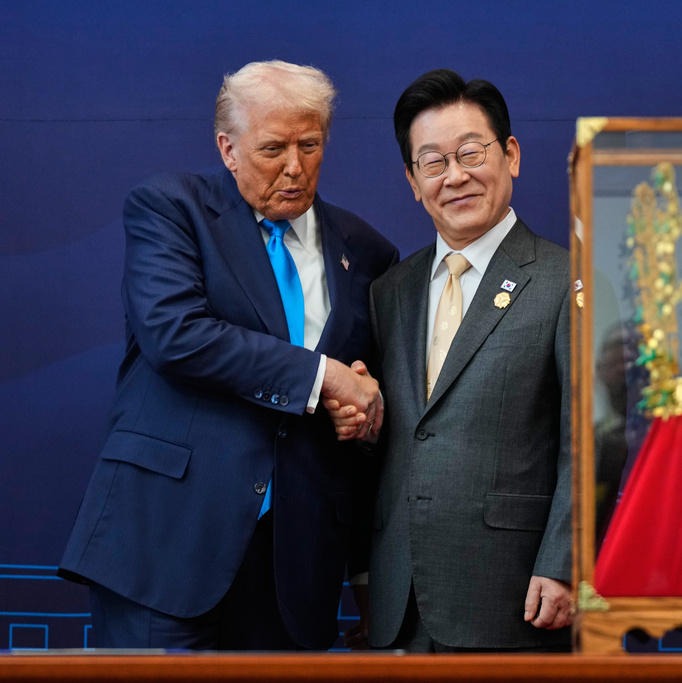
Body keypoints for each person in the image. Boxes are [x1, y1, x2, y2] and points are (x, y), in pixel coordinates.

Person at [58, 60, 398, 650]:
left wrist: (362, 413)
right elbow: (176, 335)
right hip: (163, 547)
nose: (295, 167)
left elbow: (366, 401)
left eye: (310, 145)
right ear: (228, 148)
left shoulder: (368, 251)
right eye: (273, 149)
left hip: (296, 569)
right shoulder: (171, 209)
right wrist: (325, 378)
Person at [351, 68, 573, 652]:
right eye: (433, 162)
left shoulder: (566, 282)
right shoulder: (388, 291)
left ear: (511, 155)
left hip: (513, 593)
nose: (456, 176)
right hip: (398, 598)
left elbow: (593, 442)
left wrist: (565, 563)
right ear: (412, 179)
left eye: (471, 152)